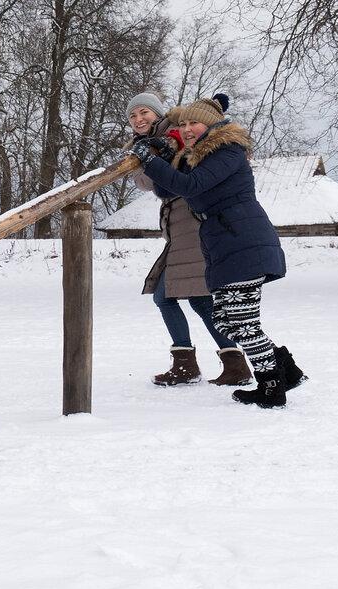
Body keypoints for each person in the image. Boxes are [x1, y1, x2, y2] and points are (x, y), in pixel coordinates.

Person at [127, 98, 308, 408]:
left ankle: (271, 385)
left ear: (210, 124)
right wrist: (169, 156)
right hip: (223, 243)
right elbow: (166, 190)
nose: (186, 129)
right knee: (227, 320)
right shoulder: (197, 156)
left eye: (192, 124)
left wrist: (152, 160)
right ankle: (285, 370)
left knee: (242, 323)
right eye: (181, 125)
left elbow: (190, 186)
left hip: (243, 240)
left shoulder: (227, 152)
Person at [125, 92, 249, 387]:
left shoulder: (175, 129)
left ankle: (200, 364)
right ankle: (228, 363)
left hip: (193, 223)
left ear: (158, 113)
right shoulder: (141, 146)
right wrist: (149, 159)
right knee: (198, 299)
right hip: (178, 227)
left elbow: (199, 138)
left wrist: (164, 153)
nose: (139, 119)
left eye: (145, 113)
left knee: (172, 296)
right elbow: (146, 183)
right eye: (133, 115)